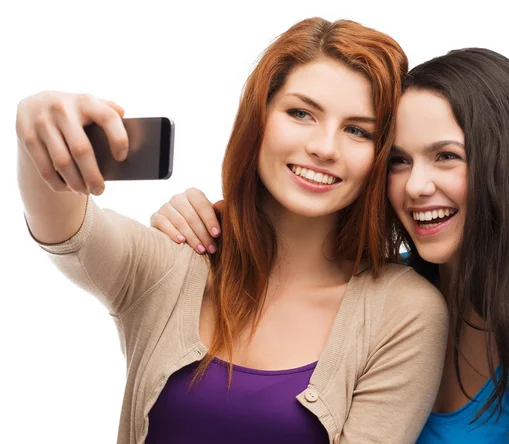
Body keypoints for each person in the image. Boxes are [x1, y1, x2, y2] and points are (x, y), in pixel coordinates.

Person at [17, 17, 448, 444]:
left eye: (357, 130)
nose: (324, 147)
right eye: (301, 113)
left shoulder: (404, 313)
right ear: (259, 120)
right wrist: (37, 127)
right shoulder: (173, 264)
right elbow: (69, 233)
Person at [152, 48, 509, 443]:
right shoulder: (387, 296)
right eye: (400, 161)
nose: (416, 186)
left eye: (446, 156)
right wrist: (211, 223)